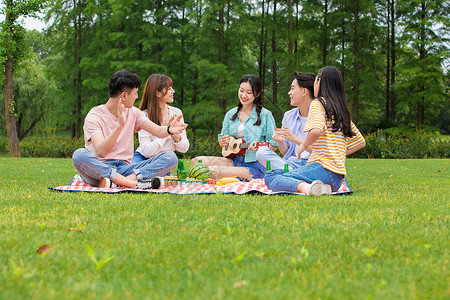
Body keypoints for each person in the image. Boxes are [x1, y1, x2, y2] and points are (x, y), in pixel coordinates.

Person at [72, 69, 187, 189]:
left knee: (170, 157)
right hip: (99, 168)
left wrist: (169, 129)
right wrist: (119, 126)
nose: (137, 97)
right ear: (124, 95)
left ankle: (118, 182)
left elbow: (158, 131)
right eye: (135, 93)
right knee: (79, 155)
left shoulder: (134, 113)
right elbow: (101, 151)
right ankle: (128, 182)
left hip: (125, 168)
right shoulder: (94, 115)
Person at [265, 66, 366, 196]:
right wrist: (336, 153)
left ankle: (307, 188)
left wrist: (304, 145)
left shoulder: (318, 104)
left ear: (321, 83)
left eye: (316, 80)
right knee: (281, 174)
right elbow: (360, 142)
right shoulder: (339, 108)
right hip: (337, 179)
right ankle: (321, 188)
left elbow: (316, 131)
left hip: (322, 169)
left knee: (272, 176)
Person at [191, 75, 277, 179]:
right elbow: (222, 140)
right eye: (241, 90)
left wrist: (259, 147)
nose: (244, 95)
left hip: (254, 164)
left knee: (209, 171)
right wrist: (222, 142)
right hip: (233, 160)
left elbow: (273, 146)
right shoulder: (230, 114)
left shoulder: (265, 115)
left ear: (257, 94)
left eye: (249, 92)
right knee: (196, 162)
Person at [256, 72, 315, 171]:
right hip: (292, 163)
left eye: (292, 88)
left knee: (273, 179)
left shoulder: (321, 115)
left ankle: (289, 175)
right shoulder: (289, 116)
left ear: (304, 91)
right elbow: (285, 152)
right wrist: (280, 141)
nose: (289, 93)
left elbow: (321, 152)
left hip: (313, 164)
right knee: (261, 152)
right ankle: (292, 173)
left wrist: (294, 138)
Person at [132, 74, 189, 166]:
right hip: (142, 158)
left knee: (171, 157)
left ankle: (138, 177)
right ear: (158, 93)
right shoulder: (144, 115)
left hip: (163, 160)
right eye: (169, 89)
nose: (173, 91)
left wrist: (174, 135)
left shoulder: (176, 112)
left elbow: (185, 148)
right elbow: (146, 151)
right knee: (128, 170)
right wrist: (167, 130)